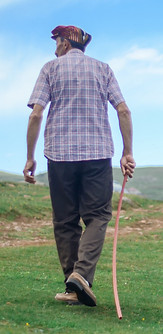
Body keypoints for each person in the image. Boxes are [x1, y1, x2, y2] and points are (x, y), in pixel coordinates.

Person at [23, 25, 135, 306]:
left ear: (63, 44)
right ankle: (80, 278)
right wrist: (127, 152)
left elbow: (36, 114)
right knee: (98, 216)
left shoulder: (50, 68)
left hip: (59, 156)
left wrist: (30, 156)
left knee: (65, 222)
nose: (54, 49)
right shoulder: (103, 69)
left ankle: (75, 284)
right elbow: (123, 109)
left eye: (56, 43)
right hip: (97, 155)